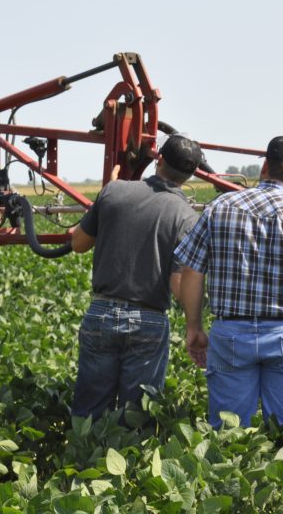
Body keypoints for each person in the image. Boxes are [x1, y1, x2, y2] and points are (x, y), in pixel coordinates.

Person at [174, 135, 283, 428]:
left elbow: (191, 270)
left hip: (230, 333)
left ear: (265, 167)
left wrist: (194, 327)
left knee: (227, 437)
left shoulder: (221, 208)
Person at [68, 134, 202, 419]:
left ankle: (82, 459)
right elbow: (179, 283)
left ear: (160, 160)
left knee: (88, 413)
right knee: (136, 417)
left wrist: (106, 200)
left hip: (101, 312)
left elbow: (78, 244)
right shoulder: (187, 217)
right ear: (191, 173)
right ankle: (124, 461)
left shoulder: (113, 191)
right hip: (149, 319)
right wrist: (194, 325)